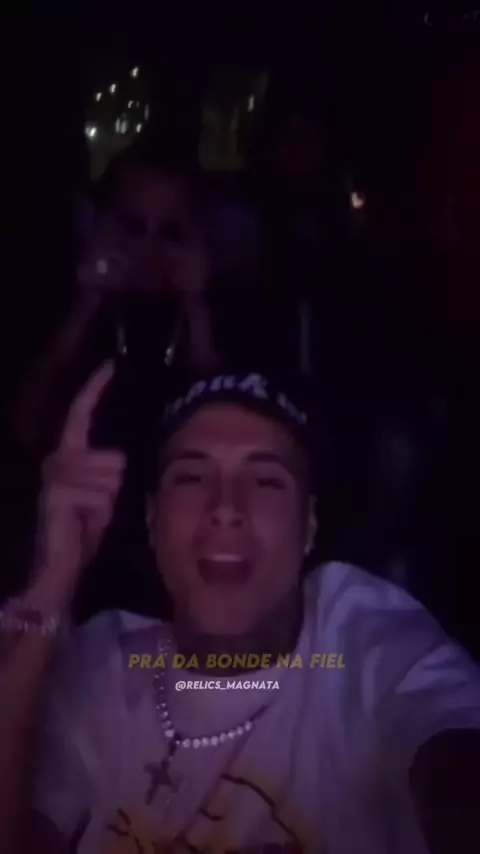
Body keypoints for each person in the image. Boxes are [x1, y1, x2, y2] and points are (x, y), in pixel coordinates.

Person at [1, 364, 480, 854]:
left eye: (266, 481)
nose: (225, 507)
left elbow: (455, 759)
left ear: (309, 528)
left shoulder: (363, 639)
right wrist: (50, 582)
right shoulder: (102, 661)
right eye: (191, 477)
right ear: (151, 520)